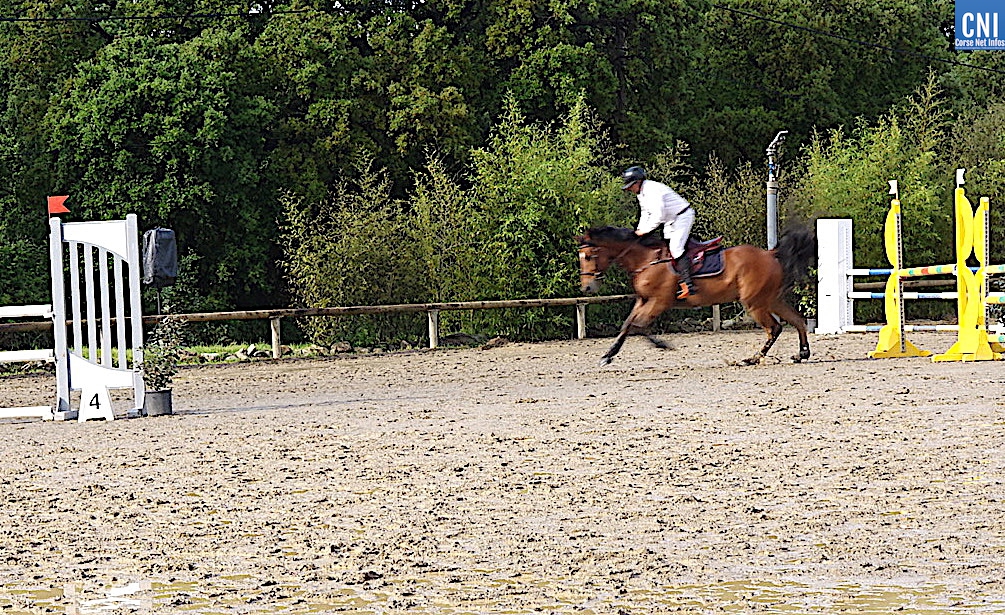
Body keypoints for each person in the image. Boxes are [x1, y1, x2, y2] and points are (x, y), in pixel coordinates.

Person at [621, 165, 697, 299]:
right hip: (671, 219)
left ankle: (688, 285)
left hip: (682, 216)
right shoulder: (641, 193)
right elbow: (645, 213)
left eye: (631, 186)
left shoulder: (652, 190)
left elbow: (658, 215)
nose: (630, 189)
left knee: (676, 248)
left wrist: (644, 231)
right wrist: (639, 230)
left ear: (638, 182)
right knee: (666, 248)